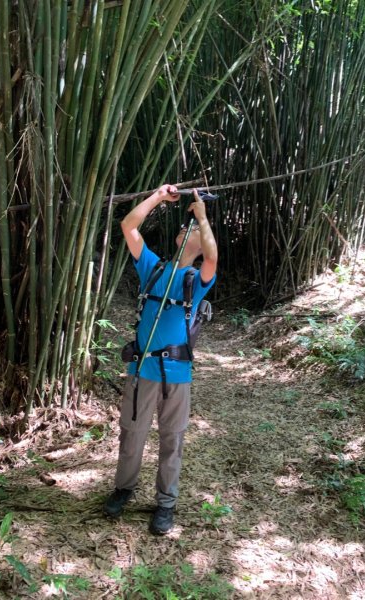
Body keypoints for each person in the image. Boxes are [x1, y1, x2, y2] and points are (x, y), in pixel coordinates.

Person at [104, 184, 218, 535]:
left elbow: (213, 257)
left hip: (177, 374)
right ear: (179, 236)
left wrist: (202, 217)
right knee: (132, 434)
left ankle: (165, 504)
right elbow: (128, 226)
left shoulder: (195, 281)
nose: (191, 233)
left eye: (197, 232)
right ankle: (123, 489)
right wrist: (157, 196)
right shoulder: (152, 268)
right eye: (188, 228)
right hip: (142, 369)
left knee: (172, 439)